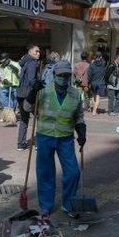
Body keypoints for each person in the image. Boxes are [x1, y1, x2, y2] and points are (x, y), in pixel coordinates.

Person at [24, 60, 85, 220]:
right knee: (45, 172)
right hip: (45, 136)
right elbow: (26, 108)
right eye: (61, 75)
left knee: (73, 172)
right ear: (54, 75)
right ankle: (45, 205)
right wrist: (32, 92)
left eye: (67, 75)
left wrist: (82, 131)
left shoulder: (75, 93)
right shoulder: (42, 90)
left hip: (66, 138)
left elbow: (79, 115)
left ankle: (69, 204)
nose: (64, 78)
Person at [16, 44, 42, 151]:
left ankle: (21, 143)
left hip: (21, 94)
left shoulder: (24, 61)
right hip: (29, 95)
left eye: (39, 51)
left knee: (24, 119)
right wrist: (38, 85)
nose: (38, 53)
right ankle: (38, 143)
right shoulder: (32, 62)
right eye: (36, 51)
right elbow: (32, 80)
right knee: (40, 117)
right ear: (30, 52)